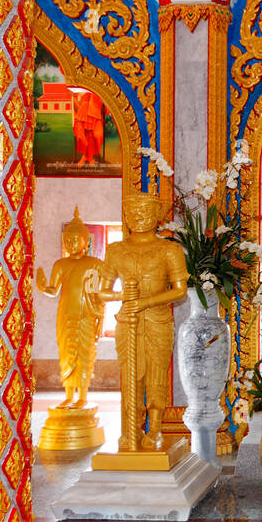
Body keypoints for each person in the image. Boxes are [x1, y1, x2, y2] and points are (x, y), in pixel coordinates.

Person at [96, 193, 189, 451]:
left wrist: (146, 302)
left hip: (157, 320)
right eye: (133, 211)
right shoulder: (117, 250)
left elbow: (180, 289)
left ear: (157, 216)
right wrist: (121, 296)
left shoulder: (169, 249)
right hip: (128, 321)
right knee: (130, 376)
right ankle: (132, 430)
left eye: (145, 211)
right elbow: (102, 291)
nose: (138, 216)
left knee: (156, 375)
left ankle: (156, 429)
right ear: (125, 215)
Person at [36, 208, 104, 409]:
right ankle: (68, 396)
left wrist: (100, 319)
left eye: (75, 240)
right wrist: (42, 286)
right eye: (67, 240)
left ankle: (82, 396)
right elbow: (53, 290)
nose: (70, 244)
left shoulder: (95, 264)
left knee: (84, 355)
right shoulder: (60, 264)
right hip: (66, 315)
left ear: (86, 240)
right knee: (67, 355)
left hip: (87, 315)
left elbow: (100, 295)